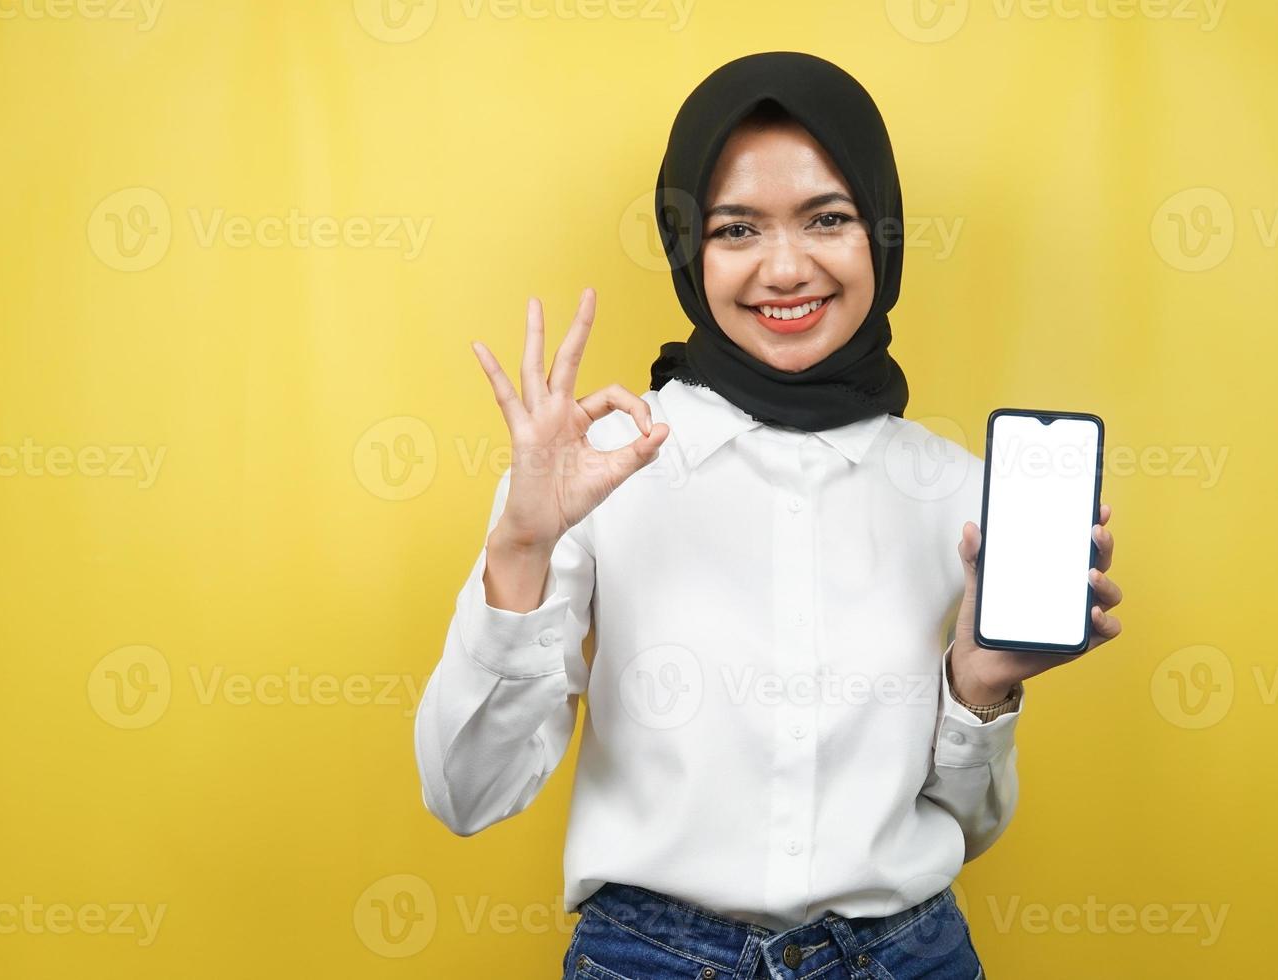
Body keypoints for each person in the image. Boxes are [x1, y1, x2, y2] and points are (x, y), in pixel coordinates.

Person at [414, 51, 1124, 980]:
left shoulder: (960, 496)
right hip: (652, 959)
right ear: (688, 251)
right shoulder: (594, 478)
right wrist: (520, 545)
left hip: (907, 956)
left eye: (828, 218)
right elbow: (469, 795)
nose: (785, 269)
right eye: (736, 228)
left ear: (881, 232)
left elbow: (966, 827)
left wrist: (980, 688)